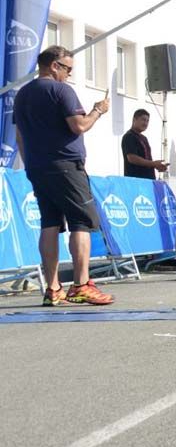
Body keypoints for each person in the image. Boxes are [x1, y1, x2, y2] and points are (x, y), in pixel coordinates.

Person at [13, 47, 114, 305]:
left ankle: (53, 287)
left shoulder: (23, 94)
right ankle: (81, 284)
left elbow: (20, 136)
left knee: (50, 224)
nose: (69, 75)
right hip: (66, 165)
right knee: (81, 221)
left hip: (38, 166)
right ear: (54, 65)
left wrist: (30, 164)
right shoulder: (61, 90)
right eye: (68, 69)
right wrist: (98, 111)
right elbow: (79, 126)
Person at [122, 108, 167, 180]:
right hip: (136, 181)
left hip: (148, 180)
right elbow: (132, 158)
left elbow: (146, 159)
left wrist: (157, 166)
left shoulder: (144, 138)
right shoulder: (129, 136)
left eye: (147, 121)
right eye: (143, 119)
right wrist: (153, 163)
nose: (145, 123)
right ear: (134, 120)